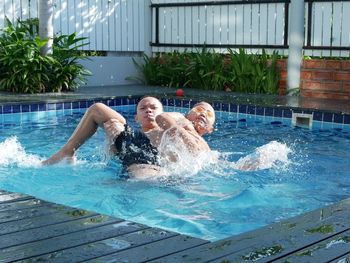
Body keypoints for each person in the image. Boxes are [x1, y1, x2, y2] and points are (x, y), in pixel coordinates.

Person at [43, 97, 216, 178]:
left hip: (150, 159)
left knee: (144, 179)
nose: (202, 114)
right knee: (98, 110)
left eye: (208, 113)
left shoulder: (192, 134)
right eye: (199, 109)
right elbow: (161, 118)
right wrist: (112, 141)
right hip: (136, 145)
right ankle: (67, 152)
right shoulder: (179, 119)